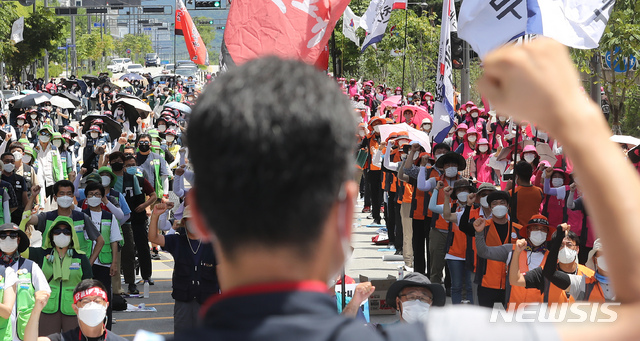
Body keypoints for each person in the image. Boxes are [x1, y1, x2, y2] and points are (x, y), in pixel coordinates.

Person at [148, 203, 219, 333]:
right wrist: (155, 216)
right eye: (189, 220)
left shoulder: (213, 244)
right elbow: (153, 238)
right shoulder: (177, 241)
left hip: (208, 300)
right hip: (183, 300)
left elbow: (222, 274)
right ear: (184, 223)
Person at [26, 216, 93, 335]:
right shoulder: (42, 254)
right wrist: (23, 220)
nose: (62, 234)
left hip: (74, 308)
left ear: (72, 235)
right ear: (51, 235)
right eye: (57, 231)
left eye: (66, 231)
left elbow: (88, 285)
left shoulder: (80, 257)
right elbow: (21, 250)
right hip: (47, 308)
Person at [24, 181, 105, 266]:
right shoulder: (46, 217)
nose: (65, 197)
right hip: (50, 267)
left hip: (76, 269)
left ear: (72, 196)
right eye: (62, 193)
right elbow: (26, 219)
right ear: (55, 198)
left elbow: (100, 241)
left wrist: (88, 264)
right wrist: (33, 196)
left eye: (68, 194)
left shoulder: (82, 217)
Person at [510, 223, 594, 304]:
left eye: (569, 245)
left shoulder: (589, 275)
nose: (565, 249)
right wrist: (517, 252)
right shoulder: (544, 273)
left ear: (577, 249)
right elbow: (515, 280)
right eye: (560, 245)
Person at [24, 279, 128, 341]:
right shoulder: (64, 339)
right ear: (75, 308)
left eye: (97, 301)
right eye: (86, 302)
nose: (92, 305)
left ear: (106, 306)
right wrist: (36, 310)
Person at [81, 181, 122, 330]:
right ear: (86, 198)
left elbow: (114, 241)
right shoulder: (80, 215)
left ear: (102, 197)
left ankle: (106, 330)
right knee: (86, 298)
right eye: (91, 194)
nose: (94, 197)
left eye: (97, 194)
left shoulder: (109, 217)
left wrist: (114, 263)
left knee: (104, 298)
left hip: (104, 263)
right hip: (85, 263)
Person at [0, 223, 50, 341]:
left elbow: (45, 292)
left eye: (12, 236)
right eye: (3, 236)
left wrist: (35, 307)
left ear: (18, 240)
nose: (8, 239)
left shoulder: (30, 266)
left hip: (24, 331)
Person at [508, 161, 544, 225]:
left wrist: (507, 188)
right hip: (533, 226)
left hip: (517, 228)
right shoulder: (539, 191)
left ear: (517, 176)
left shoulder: (512, 193)